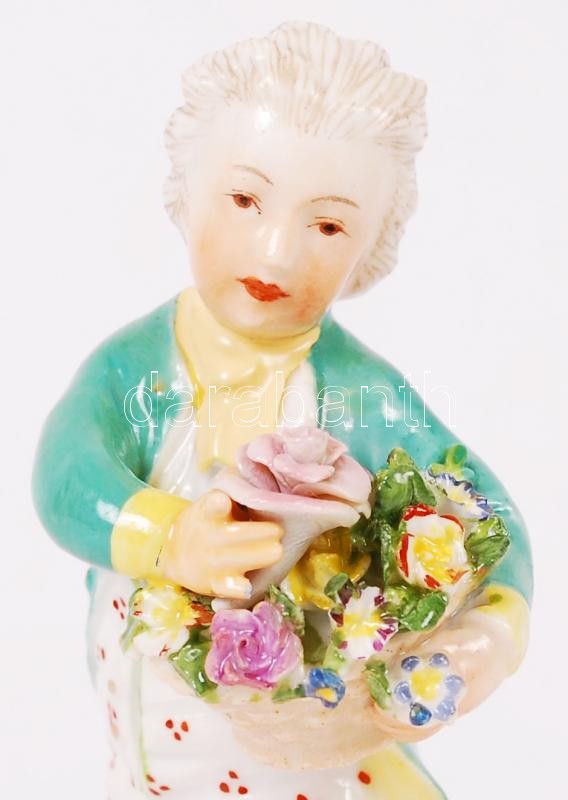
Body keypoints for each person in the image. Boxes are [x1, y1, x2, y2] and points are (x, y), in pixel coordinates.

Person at [33, 21, 531, 799]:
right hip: (158, 732)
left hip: (316, 741)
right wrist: (167, 537)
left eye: (327, 225)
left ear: (369, 245)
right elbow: (67, 472)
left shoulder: (361, 393)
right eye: (244, 200)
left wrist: (488, 637)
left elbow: (487, 512)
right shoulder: (136, 371)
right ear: (187, 189)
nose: (275, 255)